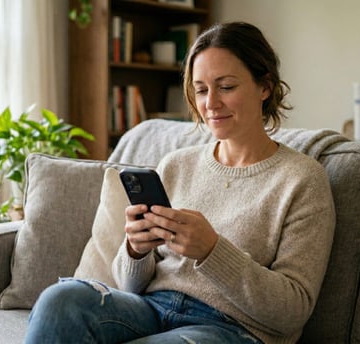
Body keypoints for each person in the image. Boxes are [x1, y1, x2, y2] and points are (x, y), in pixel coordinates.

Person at [24, 21, 335, 344]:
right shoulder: (177, 164)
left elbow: (293, 311)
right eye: (201, 90)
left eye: (226, 87)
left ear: (265, 86)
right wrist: (135, 250)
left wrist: (212, 251)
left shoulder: (302, 179)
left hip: (231, 329)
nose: (210, 104)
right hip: (151, 309)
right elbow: (130, 286)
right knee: (60, 300)